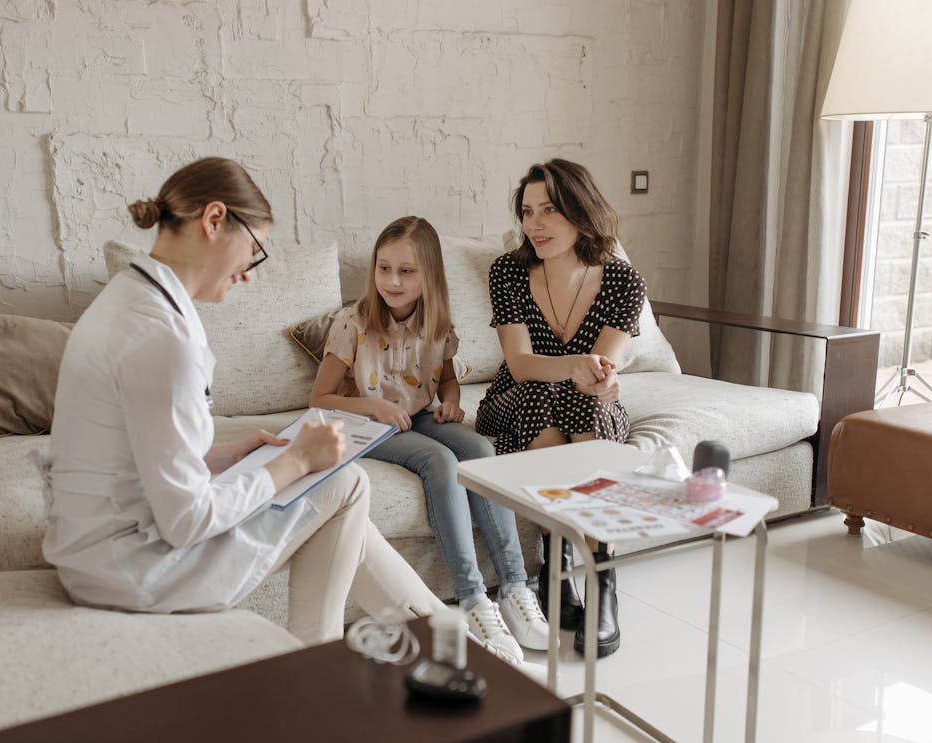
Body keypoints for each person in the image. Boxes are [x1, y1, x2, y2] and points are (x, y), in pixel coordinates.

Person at [40, 157, 444, 646]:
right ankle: (328, 660)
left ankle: (443, 633)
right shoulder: (163, 340)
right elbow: (188, 520)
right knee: (346, 483)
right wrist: (293, 461)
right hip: (135, 568)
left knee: (335, 494)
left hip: (98, 549)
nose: (250, 274)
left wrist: (224, 457)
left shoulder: (128, 296)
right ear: (214, 221)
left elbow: (130, 457)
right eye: (254, 251)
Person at [309, 216, 550, 665]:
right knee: (440, 462)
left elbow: (447, 382)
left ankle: (516, 588)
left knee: (479, 449)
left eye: (406, 271)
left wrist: (452, 404)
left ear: (430, 276)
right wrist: (375, 406)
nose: (393, 281)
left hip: (418, 416)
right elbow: (319, 399)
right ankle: (474, 598)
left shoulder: (436, 323)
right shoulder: (353, 322)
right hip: (366, 425)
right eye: (384, 269)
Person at [475, 159, 646, 658]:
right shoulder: (508, 271)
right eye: (527, 212)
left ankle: (599, 578)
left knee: (585, 409)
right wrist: (577, 365)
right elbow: (521, 364)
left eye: (549, 210)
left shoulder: (622, 281)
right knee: (541, 395)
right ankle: (558, 554)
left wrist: (602, 382)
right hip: (516, 399)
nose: (535, 224)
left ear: (580, 210)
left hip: (586, 404)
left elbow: (603, 371)